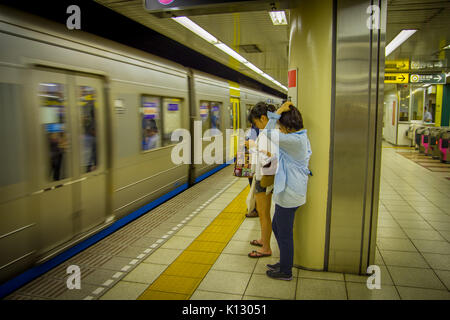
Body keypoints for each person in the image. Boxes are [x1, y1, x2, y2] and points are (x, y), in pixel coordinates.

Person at [259, 101, 312, 280]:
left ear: (288, 126)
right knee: (277, 226)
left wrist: (279, 111)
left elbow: (266, 133)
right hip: (288, 191)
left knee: (285, 233)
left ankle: (286, 271)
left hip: (290, 193)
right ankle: (284, 263)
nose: (279, 129)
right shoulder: (299, 137)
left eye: (281, 126)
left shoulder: (294, 140)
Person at [246, 102, 276, 258]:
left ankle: (265, 248)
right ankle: (263, 239)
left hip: (263, 178)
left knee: (264, 214)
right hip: (264, 177)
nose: (256, 125)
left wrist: (252, 147)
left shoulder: (267, 134)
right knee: (264, 214)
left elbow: (266, 158)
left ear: (263, 118)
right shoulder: (271, 132)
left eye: (256, 122)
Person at [245, 123, 260, 218]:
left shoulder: (256, 127)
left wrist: (248, 143)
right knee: (254, 185)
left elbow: (252, 142)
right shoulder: (257, 126)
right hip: (254, 159)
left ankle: (255, 209)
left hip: (254, 160)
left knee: (254, 185)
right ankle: (255, 208)